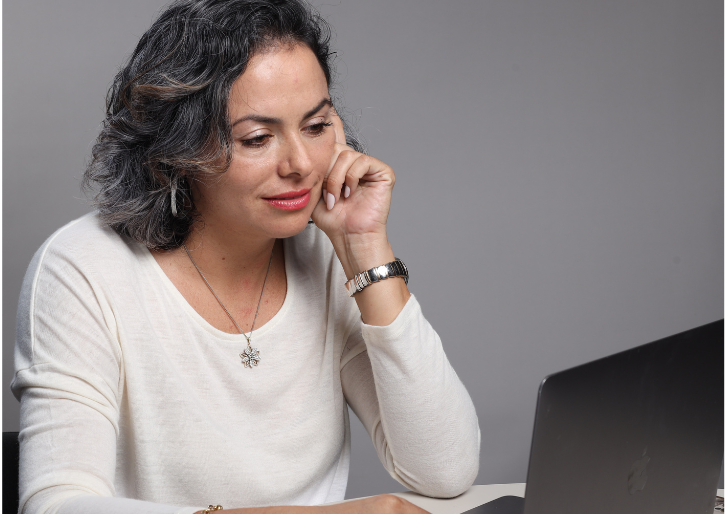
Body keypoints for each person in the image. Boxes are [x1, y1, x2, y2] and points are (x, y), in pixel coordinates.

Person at [11, 1, 480, 513]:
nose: (301, 165)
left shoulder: (327, 258)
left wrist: (364, 247)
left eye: (317, 126)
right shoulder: (83, 268)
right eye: (257, 138)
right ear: (179, 149)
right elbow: (56, 506)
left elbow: (445, 469)